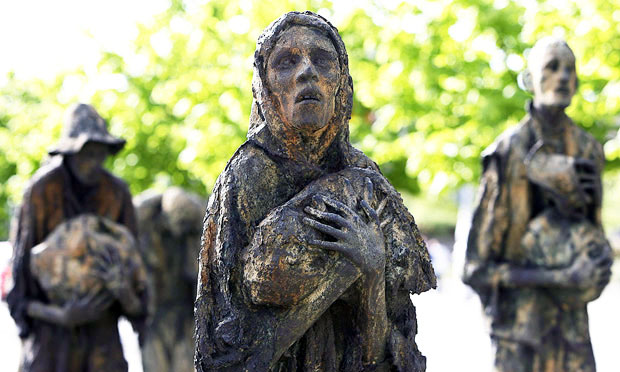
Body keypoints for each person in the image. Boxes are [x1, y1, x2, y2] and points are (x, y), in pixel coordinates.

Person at [194, 11, 435, 372]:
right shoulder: (247, 176)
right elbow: (231, 344)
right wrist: (333, 281)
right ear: (265, 87)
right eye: (286, 62)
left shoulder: (364, 179)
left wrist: (371, 272)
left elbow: (382, 354)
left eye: (322, 59)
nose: (307, 72)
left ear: (342, 83)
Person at [463, 38, 612, 372]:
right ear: (531, 81)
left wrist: (595, 270)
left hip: (573, 341)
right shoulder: (506, 153)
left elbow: (594, 241)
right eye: (551, 67)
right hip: (520, 339)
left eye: (569, 69)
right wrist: (562, 277)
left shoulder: (588, 150)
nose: (562, 77)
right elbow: (475, 269)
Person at [7, 103, 148, 372]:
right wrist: (61, 316)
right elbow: (19, 289)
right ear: (70, 153)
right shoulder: (42, 191)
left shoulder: (116, 193)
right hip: (51, 341)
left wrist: (125, 292)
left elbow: (138, 289)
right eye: (87, 154)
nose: (94, 163)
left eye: (100, 154)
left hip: (102, 340)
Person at [134, 187, 204, 372]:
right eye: (179, 220)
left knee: (186, 365)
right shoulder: (146, 230)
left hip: (184, 313)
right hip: (154, 314)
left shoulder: (191, 236)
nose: (181, 227)